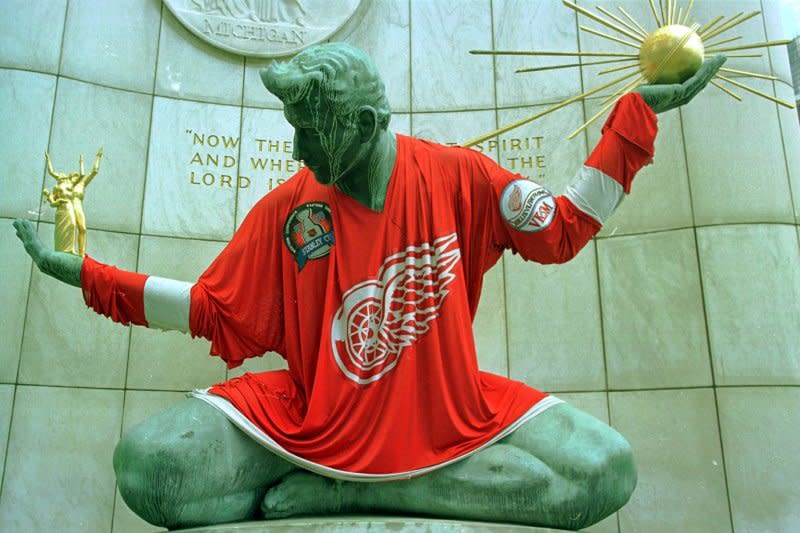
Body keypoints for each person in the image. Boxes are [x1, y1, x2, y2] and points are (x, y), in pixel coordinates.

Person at [13, 43, 724, 530]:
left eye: (308, 131)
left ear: (363, 122)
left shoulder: (460, 177)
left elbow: (562, 227)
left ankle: (371, 486)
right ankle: (363, 476)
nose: (297, 150)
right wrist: (86, 275)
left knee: (607, 469)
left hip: (451, 418)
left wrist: (638, 118)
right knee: (147, 468)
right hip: (310, 424)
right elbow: (210, 309)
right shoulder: (290, 209)